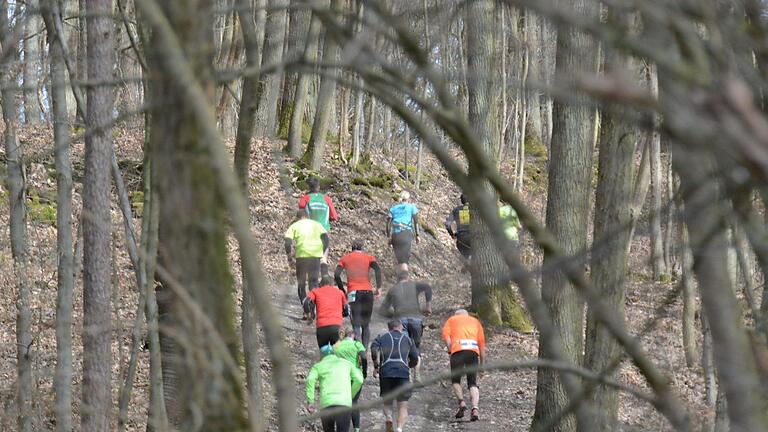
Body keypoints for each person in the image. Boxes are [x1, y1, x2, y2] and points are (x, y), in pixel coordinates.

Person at [378, 271, 432, 382]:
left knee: (404, 346)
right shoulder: (414, 285)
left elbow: (382, 311)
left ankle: (407, 376)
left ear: (397, 279)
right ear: (408, 277)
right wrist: (428, 306)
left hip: (400, 320)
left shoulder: (393, 289)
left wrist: (393, 315)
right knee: (416, 347)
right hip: (416, 319)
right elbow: (428, 287)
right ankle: (417, 375)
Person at [371, 319, 419, 432]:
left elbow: (373, 349)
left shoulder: (381, 337)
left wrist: (376, 365)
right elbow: (415, 358)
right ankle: (399, 428)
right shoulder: (408, 339)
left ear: (389, 328)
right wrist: (409, 365)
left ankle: (388, 417)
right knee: (403, 405)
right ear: (401, 327)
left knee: (387, 401)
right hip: (402, 373)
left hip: (386, 372)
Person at [306, 343, 364, 432]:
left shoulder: (318, 366)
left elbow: (310, 379)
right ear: (334, 353)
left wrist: (311, 401)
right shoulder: (346, 363)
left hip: (326, 403)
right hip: (344, 403)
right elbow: (359, 380)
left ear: (321, 355)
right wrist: (351, 395)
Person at [335, 240, 382, 347]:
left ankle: (357, 348)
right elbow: (378, 270)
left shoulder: (345, 258)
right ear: (362, 249)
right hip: (368, 292)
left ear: (352, 248)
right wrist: (379, 287)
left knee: (356, 323)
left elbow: (337, 275)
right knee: (365, 324)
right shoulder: (369, 257)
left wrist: (342, 289)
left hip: (353, 292)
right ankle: (365, 350)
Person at [441, 309, 486, 422]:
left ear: (456, 315)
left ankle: (461, 402)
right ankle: (475, 408)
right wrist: (482, 366)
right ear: (467, 315)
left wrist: (450, 350)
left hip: (457, 351)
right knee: (472, 383)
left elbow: (446, 337)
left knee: (456, 381)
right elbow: (482, 347)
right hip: (473, 353)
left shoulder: (451, 320)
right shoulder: (476, 322)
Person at [285, 209, 329, 317]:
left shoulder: (295, 226)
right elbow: (326, 239)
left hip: (302, 257)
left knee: (301, 284)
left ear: (298, 217)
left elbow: (287, 242)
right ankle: (312, 310)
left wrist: (290, 257)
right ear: (307, 216)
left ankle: (306, 310)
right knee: (313, 284)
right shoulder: (317, 224)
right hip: (315, 256)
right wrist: (321, 252)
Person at [299, 176, 338, 275]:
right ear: (319, 187)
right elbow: (334, 216)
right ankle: (324, 277)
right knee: (323, 257)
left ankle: (311, 280)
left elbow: (301, 214)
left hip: (310, 231)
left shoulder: (305, 199)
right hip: (324, 230)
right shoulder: (326, 199)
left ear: (309, 187)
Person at [334, 327, 368, 432]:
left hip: (340, 377)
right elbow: (364, 357)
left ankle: (341, 427)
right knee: (353, 402)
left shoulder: (337, 344)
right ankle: (356, 428)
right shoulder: (357, 344)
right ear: (353, 334)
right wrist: (364, 372)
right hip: (354, 377)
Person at [305, 275, 349, 347]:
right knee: (336, 352)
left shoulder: (315, 292)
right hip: (336, 327)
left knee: (324, 353)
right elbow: (346, 309)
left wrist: (309, 315)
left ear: (321, 283)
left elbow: (306, 302)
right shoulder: (340, 292)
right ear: (332, 284)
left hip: (322, 327)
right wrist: (341, 315)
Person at [386, 191, 420, 273]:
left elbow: (388, 225)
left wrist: (389, 237)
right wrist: (417, 235)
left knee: (400, 260)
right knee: (404, 261)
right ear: (408, 199)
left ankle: (400, 280)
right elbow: (416, 222)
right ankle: (404, 281)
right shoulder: (412, 207)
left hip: (395, 235)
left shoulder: (393, 209)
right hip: (406, 234)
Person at [445, 194, 472, 265]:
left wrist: (452, 234)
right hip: (474, 238)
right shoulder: (475, 210)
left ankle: (467, 265)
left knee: (465, 258)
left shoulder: (456, 210)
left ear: (461, 200)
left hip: (461, 239)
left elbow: (448, 224)